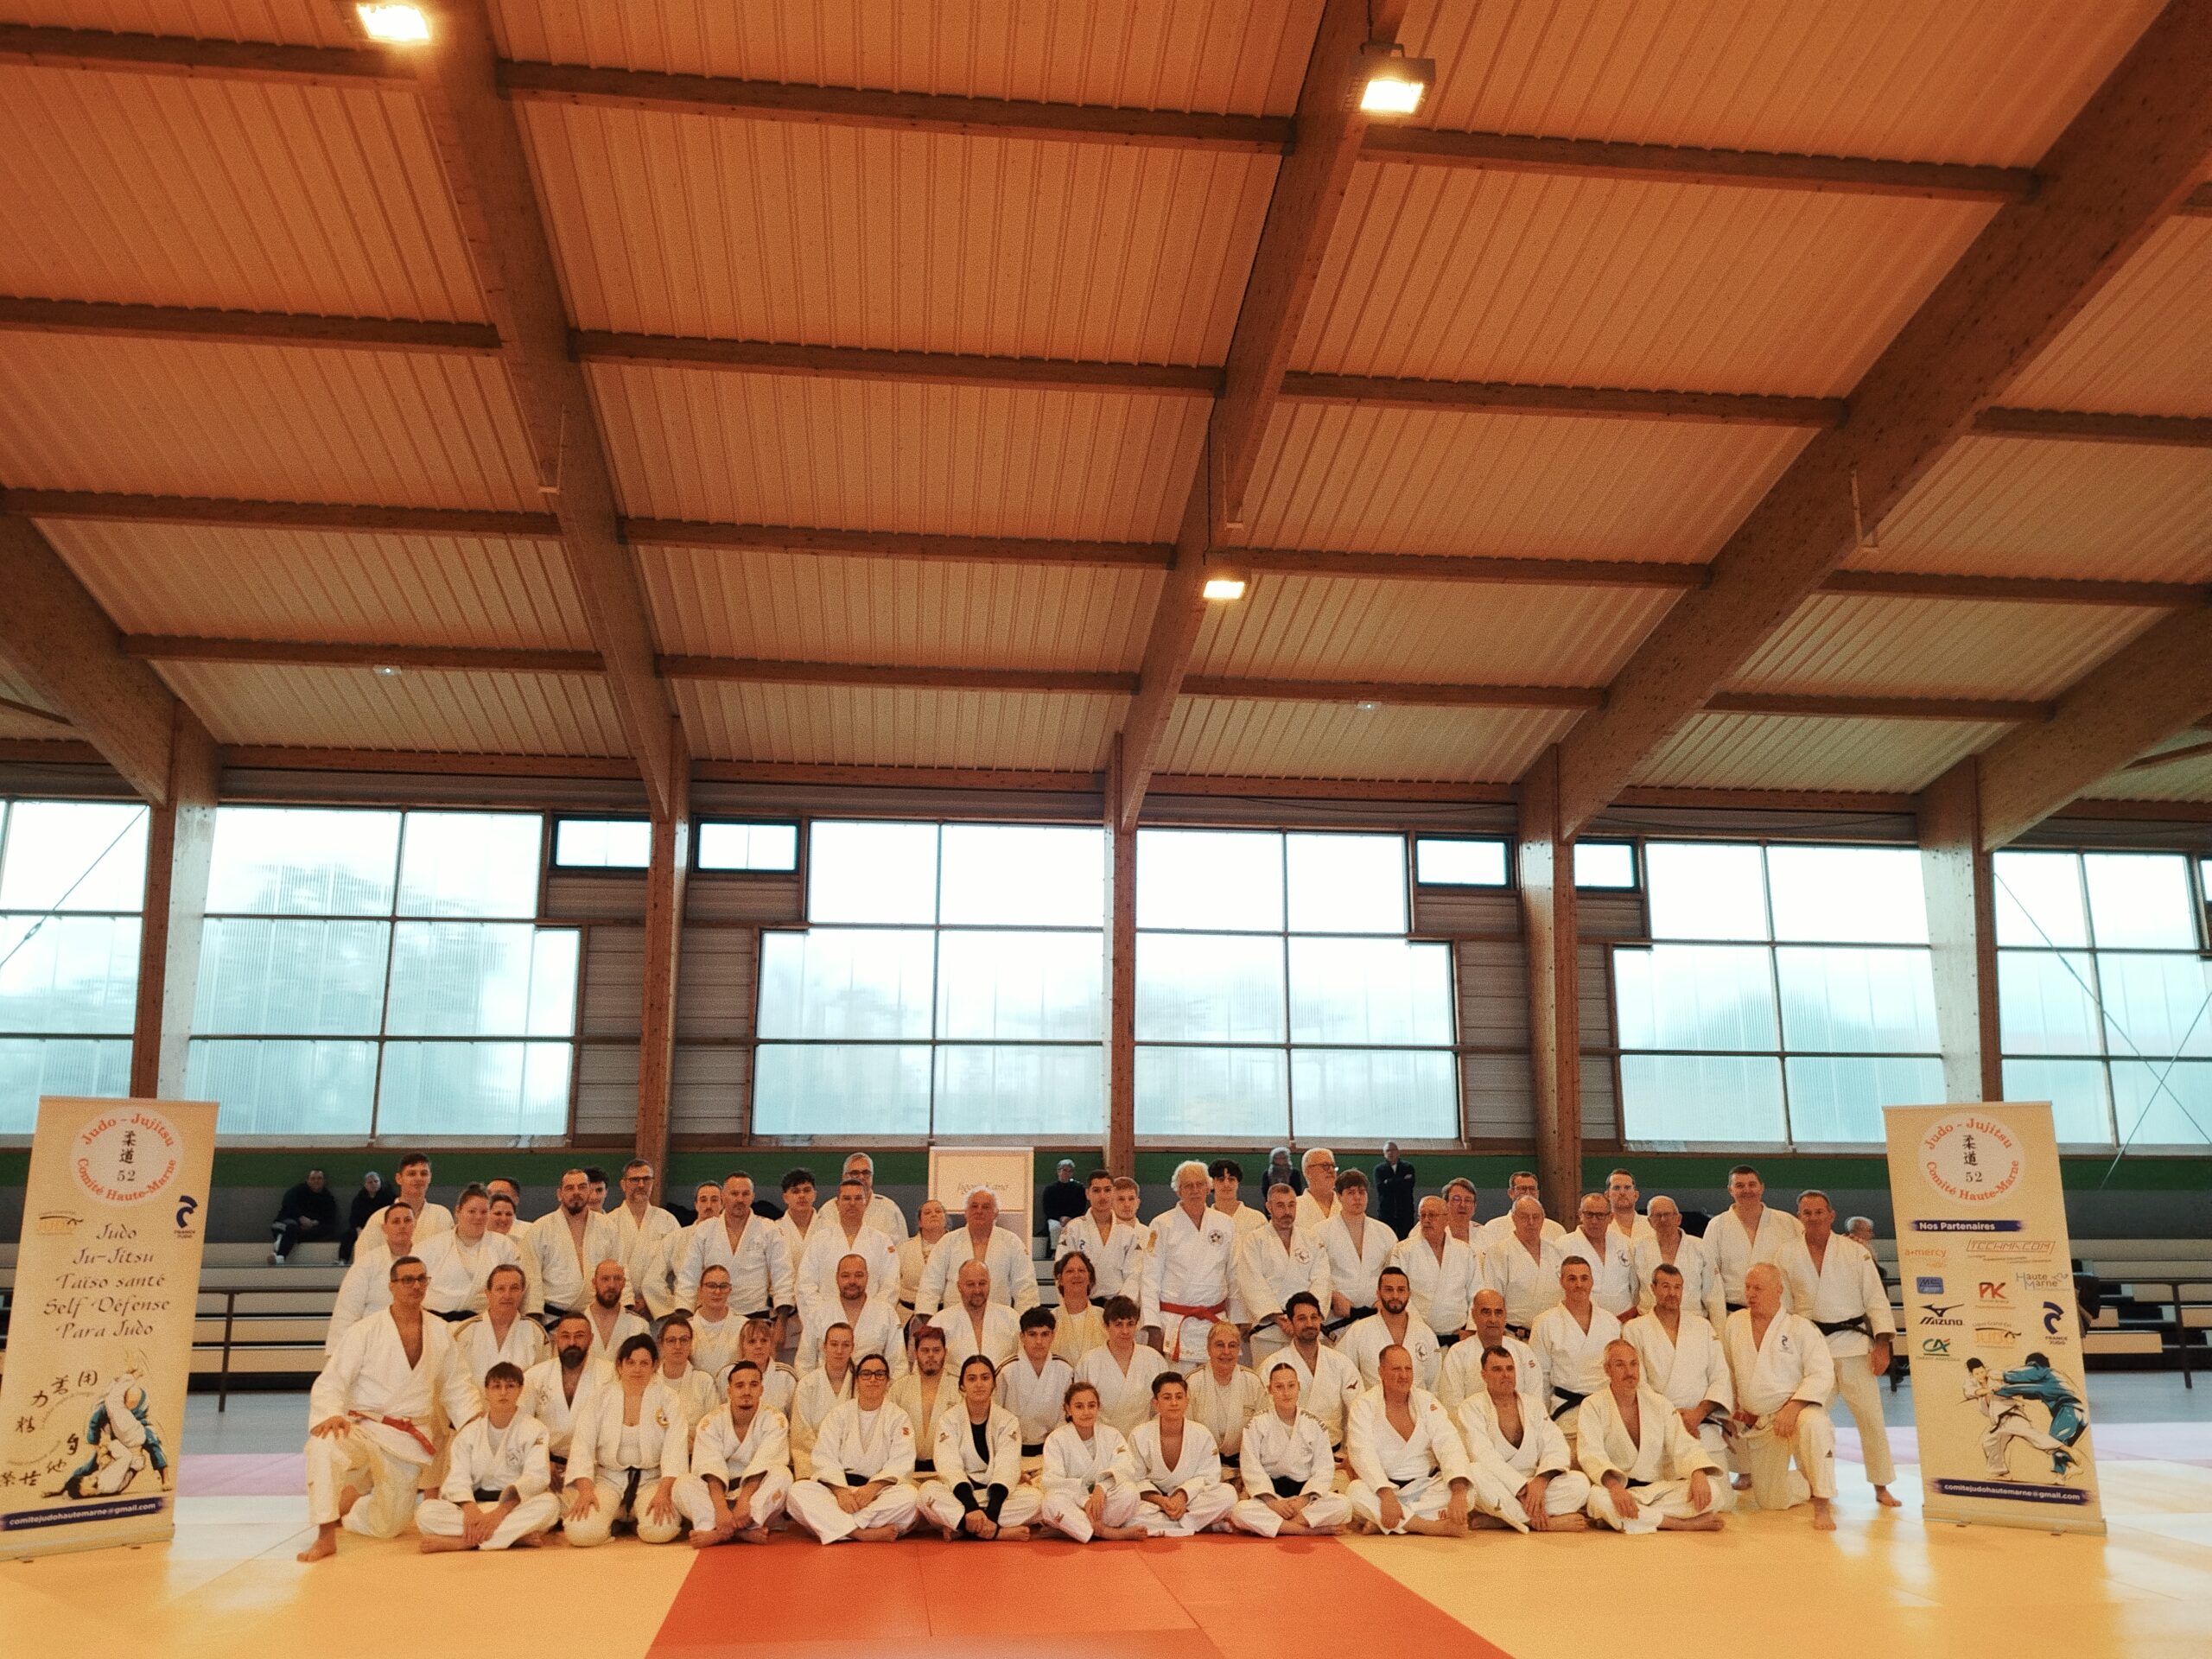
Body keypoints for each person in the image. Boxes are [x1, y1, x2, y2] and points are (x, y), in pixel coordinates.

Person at [298, 1254, 480, 1561]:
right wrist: (331, 1413)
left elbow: (456, 1385)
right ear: (392, 1286)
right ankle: (325, 1535)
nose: (416, 1286)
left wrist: (474, 1422)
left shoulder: (439, 1331)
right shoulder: (365, 1330)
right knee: (323, 1444)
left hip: (406, 1438)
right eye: (407, 1280)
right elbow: (334, 1379)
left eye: (421, 1279)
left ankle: (352, 1511)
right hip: (364, 1427)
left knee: (388, 1526)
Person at [1778, 1189, 1899, 1507]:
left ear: (1831, 1215)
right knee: (1809, 1420)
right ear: (1799, 1217)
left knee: (1871, 1418)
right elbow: (1784, 1308)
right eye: (1807, 1212)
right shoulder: (1786, 1254)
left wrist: (1882, 1345)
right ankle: (1812, 1482)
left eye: (1819, 1212)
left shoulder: (1855, 1252)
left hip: (1854, 1344)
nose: (1813, 1217)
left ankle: (1881, 1485)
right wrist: (1788, 1353)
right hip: (1811, 1349)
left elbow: (1875, 1299)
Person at [1723, 1263, 1837, 1529]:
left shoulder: (1800, 1328)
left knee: (1816, 1424)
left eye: (1758, 1288)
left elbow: (1822, 1373)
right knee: (1770, 1499)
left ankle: (1823, 1503)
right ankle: (1810, 1482)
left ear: (1778, 1290)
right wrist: (1729, 1412)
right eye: (1747, 1287)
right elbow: (1727, 1371)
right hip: (1762, 1423)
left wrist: (1794, 1407)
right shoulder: (1735, 1323)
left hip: (1796, 1411)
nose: (1750, 1294)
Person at [1576, 1340, 1729, 1534]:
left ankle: (1631, 1519)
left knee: (1713, 1490)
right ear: (1607, 1370)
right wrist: (1615, 1487)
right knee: (1598, 1499)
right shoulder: (1592, 1405)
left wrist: (1697, 1473)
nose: (1629, 1372)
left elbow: (1684, 1444)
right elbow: (1591, 1453)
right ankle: (1681, 1524)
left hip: (1657, 1491)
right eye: (1620, 1365)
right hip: (1620, 1490)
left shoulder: (1659, 1403)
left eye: (1633, 1364)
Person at [416, 1362, 559, 1553]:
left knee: (550, 1505)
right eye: (496, 1386)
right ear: (486, 1392)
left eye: (510, 1386)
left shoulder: (535, 1429)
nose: (503, 1392)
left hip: (512, 1507)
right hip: (476, 1507)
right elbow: (458, 1478)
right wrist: (471, 1511)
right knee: (425, 1512)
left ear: (520, 1390)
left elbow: (536, 1477)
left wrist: (499, 1514)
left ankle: (464, 1542)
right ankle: (513, 1538)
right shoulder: (469, 1433)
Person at [563, 1333, 687, 1547]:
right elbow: (582, 1447)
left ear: (655, 1366)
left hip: (652, 1480)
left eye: (644, 1363)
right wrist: (586, 1491)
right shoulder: (600, 1398)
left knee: (660, 1530)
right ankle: (619, 1516)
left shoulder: (668, 1399)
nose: (637, 1369)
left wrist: (664, 1492)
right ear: (620, 1366)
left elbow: (675, 1450)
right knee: (580, 1532)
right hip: (608, 1479)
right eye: (631, 1362)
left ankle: (629, 1517)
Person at [787, 1352, 919, 1543]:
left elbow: (901, 1462)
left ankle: (836, 1527)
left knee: (910, 1497)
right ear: (857, 1381)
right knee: (798, 1491)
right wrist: (840, 1492)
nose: (873, 1379)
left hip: (878, 1492)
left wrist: (873, 1488)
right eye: (866, 1374)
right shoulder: (838, 1415)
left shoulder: (899, 1418)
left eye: (879, 1374)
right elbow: (825, 1458)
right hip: (842, 1491)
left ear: (887, 1381)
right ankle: (861, 1533)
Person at [1344, 1344, 1475, 1536]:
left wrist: (1458, 1492)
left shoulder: (1427, 1401)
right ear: (1381, 1372)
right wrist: (1386, 1494)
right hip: (1386, 1489)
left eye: (1408, 1369)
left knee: (1468, 1493)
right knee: (1355, 1492)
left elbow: (1449, 1444)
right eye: (1396, 1369)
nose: (1404, 1375)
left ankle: (1390, 1522)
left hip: (1426, 1487)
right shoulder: (1364, 1405)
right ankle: (1432, 1526)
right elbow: (1362, 1453)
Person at [1457, 1346, 1591, 1531]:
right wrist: (1520, 1489)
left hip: (1533, 1483)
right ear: (1484, 1375)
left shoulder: (1533, 1405)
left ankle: (1504, 1519)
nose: (1505, 1375)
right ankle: (1540, 1522)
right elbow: (1482, 1455)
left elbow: (1556, 1445)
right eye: (1497, 1369)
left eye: (1510, 1368)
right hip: (1499, 1483)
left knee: (1580, 1484)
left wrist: (1541, 1480)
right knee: (1474, 1473)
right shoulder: (1471, 1407)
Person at [1623, 1262, 1732, 1467]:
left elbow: (1720, 1376)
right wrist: (1674, 1419)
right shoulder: (1634, 1329)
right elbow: (1638, 1383)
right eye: (1665, 1286)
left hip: (1702, 1426)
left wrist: (1698, 1414)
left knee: (1718, 1487)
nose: (1672, 1293)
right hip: (1659, 1427)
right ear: (1653, 1288)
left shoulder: (1702, 1327)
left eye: (1677, 1287)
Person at [921, 1357, 1040, 1540]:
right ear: (962, 1386)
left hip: (993, 1497)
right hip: (960, 1497)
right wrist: (970, 1507)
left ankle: (963, 1527)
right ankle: (996, 1533)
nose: (979, 1384)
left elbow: (1007, 1467)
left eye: (985, 1378)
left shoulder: (1008, 1421)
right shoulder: (949, 1419)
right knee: (926, 1493)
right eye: (972, 1379)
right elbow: (949, 1466)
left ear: (993, 1384)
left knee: (1036, 1500)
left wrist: (991, 1513)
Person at [675, 1361, 791, 1546]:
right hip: (719, 1496)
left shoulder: (775, 1420)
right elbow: (710, 1469)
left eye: (753, 1385)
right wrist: (721, 1509)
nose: (747, 1391)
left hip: (754, 1497)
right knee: (682, 1483)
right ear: (729, 1391)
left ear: (761, 1389)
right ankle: (740, 1532)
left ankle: (722, 1531)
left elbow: (765, 1464)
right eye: (739, 1386)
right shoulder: (711, 1421)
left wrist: (744, 1501)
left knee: (783, 1475)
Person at [1232, 1361, 1352, 1537]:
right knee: (1240, 1511)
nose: (1286, 1392)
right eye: (1279, 1387)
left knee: (1344, 1505)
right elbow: (1251, 1468)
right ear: (1270, 1389)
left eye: (1291, 1385)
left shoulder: (1314, 1424)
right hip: (1270, 1498)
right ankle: (1310, 1530)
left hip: (1304, 1499)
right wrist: (1272, 1502)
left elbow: (1324, 1468)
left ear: (1299, 1387)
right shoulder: (1256, 1424)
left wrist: (1303, 1499)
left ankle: (1281, 1527)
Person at [674, 1173, 797, 1342]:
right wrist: (683, 1322)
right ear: (723, 1196)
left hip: (756, 1316)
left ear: (753, 1197)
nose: (740, 1199)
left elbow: (783, 1276)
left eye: (745, 1194)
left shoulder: (768, 1229)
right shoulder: (705, 1230)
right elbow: (688, 1277)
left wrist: (781, 1323)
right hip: (712, 1317)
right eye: (734, 1194)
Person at [1141, 1160, 1241, 1367]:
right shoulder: (1161, 1224)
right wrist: (1153, 1325)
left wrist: (1238, 1318)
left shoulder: (1225, 1224)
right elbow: (1150, 1278)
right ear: (1178, 1191)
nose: (1195, 1190)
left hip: (1216, 1321)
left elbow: (1234, 1274)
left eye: (1199, 1184)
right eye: (1188, 1186)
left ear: (1208, 1187)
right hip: (1174, 1321)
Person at [1112, 1370, 1236, 1535]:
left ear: (1187, 1401)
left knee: (1228, 1495)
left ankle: (1168, 1526)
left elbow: (1209, 1476)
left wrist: (1182, 1496)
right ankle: (1202, 1526)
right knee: (1130, 1513)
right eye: (1167, 1397)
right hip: (1155, 1503)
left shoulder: (1202, 1434)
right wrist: (1161, 1500)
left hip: (1190, 1500)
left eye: (1179, 1397)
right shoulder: (1140, 1434)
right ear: (1155, 1403)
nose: (1174, 1403)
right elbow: (1135, 1478)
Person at [1038, 1381, 1146, 1541]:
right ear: (1068, 1409)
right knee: (1051, 1502)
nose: (1086, 1412)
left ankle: (1072, 1529)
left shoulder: (1112, 1435)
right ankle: (1106, 1532)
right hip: (1074, 1501)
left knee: (1130, 1493)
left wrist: (1102, 1487)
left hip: (1103, 1500)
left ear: (1098, 1407)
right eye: (1079, 1407)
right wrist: (1084, 1501)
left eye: (1091, 1405)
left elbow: (1124, 1467)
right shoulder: (1056, 1439)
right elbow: (1053, 1481)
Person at [1236, 1182, 1332, 1362]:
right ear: (1269, 1207)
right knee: (1269, 1377)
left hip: (1306, 1329)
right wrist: (1279, 1318)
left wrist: (1305, 1318)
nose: (1287, 1212)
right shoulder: (1255, 1240)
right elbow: (1251, 1282)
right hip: (1269, 1332)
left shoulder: (1311, 1239)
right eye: (1280, 1205)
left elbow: (1322, 1280)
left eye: (1291, 1205)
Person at [1529, 1257, 1623, 1433]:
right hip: (1566, 1410)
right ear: (1562, 1282)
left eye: (1584, 1278)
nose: (1579, 1284)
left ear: (1592, 1281)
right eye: (1572, 1279)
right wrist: (1542, 1420)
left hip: (1606, 1408)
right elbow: (1540, 1377)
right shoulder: (1544, 1322)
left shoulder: (1611, 1322)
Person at [518, 1313, 613, 1483]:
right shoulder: (535, 1376)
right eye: (565, 1336)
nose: (572, 1343)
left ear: (591, 1339)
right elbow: (520, 1425)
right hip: (546, 1468)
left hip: (594, 1471)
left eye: (579, 1336)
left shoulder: (610, 1375)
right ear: (556, 1339)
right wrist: (541, 1461)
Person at [917, 1187, 1039, 1318]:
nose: (979, 1211)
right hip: (954, 1320)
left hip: (999, 1319)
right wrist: (926, 1318)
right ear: (966, 1212)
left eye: (986, 1207)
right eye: (974, 1206)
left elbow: (1025, 1287)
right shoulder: (948, 1242)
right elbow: (931, 1283)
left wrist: (1028, 1323)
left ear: (996, 1213)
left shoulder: (1012, 1242)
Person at [1264, 1292, 1363, 1449]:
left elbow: (1358, 1410)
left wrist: (1353, 1450)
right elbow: (1265, 1417)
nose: (1309, 1324)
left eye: (1314, 1317)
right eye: (1302, 1318)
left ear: (1320, 1320)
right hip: (1288, 1452)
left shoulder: (1340, 1363)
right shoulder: (1272, 1365)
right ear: (1290, 1322)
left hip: (1333, 1451)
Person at [798, 1176, 901, 1323]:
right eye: (847, 1198)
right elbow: (805, 1284)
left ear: (865, 1203)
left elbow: (890, 1285)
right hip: (826, 1321)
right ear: (837, 1204)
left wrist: (872, 1316)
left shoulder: (882, 1241)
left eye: (858, 1198)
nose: (852, 1203)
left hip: (871, 1320)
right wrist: (824, 1316)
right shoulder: (819, 1240)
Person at [528, 1168, 624, 1320]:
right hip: (552, 1319)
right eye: (570, 1188)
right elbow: (531, 1276)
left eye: (582, 1187)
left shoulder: (608, 1227)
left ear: (589, 1191)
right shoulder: (540, 1228)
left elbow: (620, 1270)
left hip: (597, 1318)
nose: (576, 1192)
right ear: (560, 1194)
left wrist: (625, 1306)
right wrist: (534, 1316)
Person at [1707, 1164, 1804, 1314]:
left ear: (1762, 1188)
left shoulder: (1787, 1222)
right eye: (1740, 1186)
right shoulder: (1717, 1225)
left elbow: (1809, 1255)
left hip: (1779, 1312)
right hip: (1734, 1312)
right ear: (1730, 1190)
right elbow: (1709, 1274)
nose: (1747, 1190)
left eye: (1752, 1185)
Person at [416, 1185, 520, 1319]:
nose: (478, 1217)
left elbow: (516, 1285)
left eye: (484, 1212)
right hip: (436, 1321)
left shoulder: (505, 1246)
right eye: (472, 1211)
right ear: (458, 1211)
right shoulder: (429, 1247)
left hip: (486, 1322)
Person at [1962, 1358, 2075, 1478]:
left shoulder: (1994, 1376)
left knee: (2032, 1435)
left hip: (2012, 1415)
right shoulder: (1971, 1383)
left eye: (1982, 1372)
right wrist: (1988, 1390)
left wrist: (1998, 1385)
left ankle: (2067, 1451)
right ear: (1971, 1374)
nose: (1981, 1375)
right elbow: (1972, 1392)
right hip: (1999, 1422)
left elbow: (2009, 1383)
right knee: (1990, 1443)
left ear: (1985, 1368)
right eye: (1977, 1374)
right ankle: (2000, 1473)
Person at [325, 1200, 414, 1352]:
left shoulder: (427, 1259)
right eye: (396, 1221)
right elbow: (347, 1312)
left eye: (407, 1220)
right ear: (385, 1228)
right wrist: (339, 1355)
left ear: (415, 1225)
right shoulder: (367, 1264)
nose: (402, 1226)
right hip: (375, 1344)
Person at [1437, 1288, 1543, 1415]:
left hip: (1519, 1424)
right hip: (1471, 1425)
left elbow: (1535, 1402)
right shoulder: (1457, 1354)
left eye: (1498, 1312)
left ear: (1505, 1315)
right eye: (1486, 1312)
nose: (1493, 1319)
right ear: (1474, 1315)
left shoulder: (1523, 1351)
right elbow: (1452, 1406)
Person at [801, 1252, 908, 1376]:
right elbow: (804, 1363)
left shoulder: (886, 1313)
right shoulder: (818, 1313)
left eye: (858, 1275)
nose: (852, 1281)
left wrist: (885, 1388)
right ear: (836, 1278)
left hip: (874, 1384)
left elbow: (898, 1365)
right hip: (826, 1386)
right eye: (845, 1276)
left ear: (867, 1277)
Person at [1076, 1294, 1169, 1433]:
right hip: (1101, 1438)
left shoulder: (1154, 1359)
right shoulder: (1088, 1362)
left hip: (1144, 1437)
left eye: (1130, 1324)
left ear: (1137, 1325)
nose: (1125, 1331)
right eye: (1118, 1324)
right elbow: (1080, 1406)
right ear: (1106, 1326)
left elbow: (1163, 1406)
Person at [1339, 1266, 1442, 1392]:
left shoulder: (1425, 1333)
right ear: (1378, 1293)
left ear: (1409, 1294)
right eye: (1389, 1290)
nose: (1395, 1296)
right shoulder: (1359, 1331)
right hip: (1373, 1403)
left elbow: (1434, 1384)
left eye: (1401, 1290)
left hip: (1417, 1403)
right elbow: (1342, 1373)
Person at [1632, 1195, 1728, 1329]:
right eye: (1657, 1215)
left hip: (1693, 1323)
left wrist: (1719, 1333)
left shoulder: (1700, 1248)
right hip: (1649, 1324)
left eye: (1667, 1214)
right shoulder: (1638, 1248)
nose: (1663, 1219)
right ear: (1649, 1221)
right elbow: (1633, 1291)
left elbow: (1714, 1294)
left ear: (1678, 1219)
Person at [1393, 1196, 1478, 1339]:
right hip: (1415, 1334)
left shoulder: (1465, 1251)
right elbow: (1399, 1293)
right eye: (1422, 1215)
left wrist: (1471, 1329)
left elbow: (1476, 1292)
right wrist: (1417, 1329)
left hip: (1458, 1336)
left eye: (1432, 1215)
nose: (1426, 1220)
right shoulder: (1403, 1250)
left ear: (1447, 1219)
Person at [1482, 1196, 1567, 1336]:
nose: (1531, 1222)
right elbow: (1493, 1298)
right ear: (1514, 1219)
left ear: (1543, 1219)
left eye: (1536, 1217)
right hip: (1513, 1335)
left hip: (1553, 1334)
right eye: (1524, 1217)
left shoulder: (1557, 1252)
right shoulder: (1499, 1252)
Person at [996, 1307, 1074, 1461]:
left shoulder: (1065, 1370)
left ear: (1053, 1336)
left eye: (1045, 1334)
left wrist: (1056, 1445)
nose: (1039, 1341)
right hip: (1011, 1448)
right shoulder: (1007, 1370)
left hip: (1053, 1448)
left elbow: (1067, 1414)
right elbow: (995, 1412)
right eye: (1032, 1334)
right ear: (1022, 1336)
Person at [1183, 1320, 1265, 1463]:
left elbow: (1264, 1428)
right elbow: (1185, 1429)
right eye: (1220, 1345)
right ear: (1208, 1349)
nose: (1226, 1352)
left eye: (1232, 1346)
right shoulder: (1193, 1382)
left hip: (1245, 1460)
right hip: (1201, 1461)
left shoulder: (1253, 1381)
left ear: (1239, 1349)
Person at [1320, 1170, 1395, 1325]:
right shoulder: (1321, 1231)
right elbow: (1315, 1273)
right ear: (1339, 1196)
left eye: (1362, 1192)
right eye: (1351, 1192)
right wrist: (1332, 1296)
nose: (1357, 1197)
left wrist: (1386, 1297)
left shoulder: (1384, 1231)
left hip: (1376, 1311)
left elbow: (1394, 1271)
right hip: (1336, 1315)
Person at [610, 1160, 680, 1318]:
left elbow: (678, 1268)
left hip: (658, 1309)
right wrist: (628, 1301)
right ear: (623, 1184)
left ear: (653, 1183)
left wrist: (651, 1302)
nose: (641, 1185)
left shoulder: (668, 1221)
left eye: (646, 1179)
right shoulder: (610, 1222)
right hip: (620, 1307)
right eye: (635, 1180)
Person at [456, 1262, 547, 1383]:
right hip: (474, 1396)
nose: (507, 1295)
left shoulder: (535, 1332)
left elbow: (544, 1379)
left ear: (522, 1293)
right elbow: (455, 1380)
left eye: (514, 1288)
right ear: (488, 1294)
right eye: (500, 1289)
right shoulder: (466, 1332)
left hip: (523, 1396)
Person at [1996, 1354, 2088, 1472]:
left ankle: (2070, 1468)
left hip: (2069, 1410)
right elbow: (2031, 1391)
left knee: (2055, 1442)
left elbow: (2026, 1384)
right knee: (2060, 1445)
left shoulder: (2045, 1372)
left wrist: (2002, 1379)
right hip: (2079, 1413)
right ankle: (2065, 1473)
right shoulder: (2052, 1381)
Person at [1056, 1171, 1141, 1299]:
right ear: (1087, 1193)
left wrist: (1123, 1304)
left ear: (1113, 1192)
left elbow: (1134, 1274)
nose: (1102, 1196)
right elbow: (1061, 1269)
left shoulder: (1127, 1232)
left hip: (1117, 1303)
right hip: (1083, 1300)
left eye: (1107, 1190)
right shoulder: (1074, 1228)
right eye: (1096, 1190)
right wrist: (1070, 1302)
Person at [1560, 1192, 1642, 1320]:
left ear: (1611, 1217)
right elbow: (1559, 1288)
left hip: (1624, 1319)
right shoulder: (1563, 1245)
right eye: (1589, 1214)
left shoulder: (1624, 1243)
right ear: (1580, 1215)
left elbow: (1635, 1283)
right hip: (1581, 1320)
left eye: (1600, 1215)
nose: (1594, 1221)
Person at [791, 1323, 856, 1479]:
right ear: (824, 1347)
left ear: (853, 1348)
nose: (839, 1351)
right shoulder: (807, 1385)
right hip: (814, 1461)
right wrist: (828, 1456)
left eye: (845, 1345)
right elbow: (801, 1433)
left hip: (853, 1462)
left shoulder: (862, 1384)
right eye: (834, 1344)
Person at [931, 1260, 1023, 1370]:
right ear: (959, 1286)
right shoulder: (939, 1322)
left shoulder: (1011, 1318)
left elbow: (1023, 1363)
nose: (977, 1290)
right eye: (970, 1284)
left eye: (982, 1283)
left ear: (989, 1283)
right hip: (954, 1381)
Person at [888, 1324, 954, 1476]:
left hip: (947, 1469)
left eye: (936, 1350)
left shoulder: (958, 1388)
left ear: (945, 1352)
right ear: (915, 1353)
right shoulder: (899, 1389)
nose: (931, 1355)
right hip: (906, 1469)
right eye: (925, 1350)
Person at [655, 1314, 720, 1431]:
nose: (678, 1346)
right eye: (671, 1340)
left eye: (684, 1340)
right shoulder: (650, 1381)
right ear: (661, 1344)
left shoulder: (704, 1381)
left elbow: (714, 1426)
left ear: (691, 1343)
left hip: (697, 1442)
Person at [580, 1258, 649, 1364]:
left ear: (624, 1283)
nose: (612, 1285)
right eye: (605, 1279)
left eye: (617, 1279)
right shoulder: (576, 1324)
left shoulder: (639, 1325)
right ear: (594, 1283)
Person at [484, 1190, 541, 1313]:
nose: (503, 1219)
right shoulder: (476, 1243)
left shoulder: (521, 1244)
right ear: (487, 1214)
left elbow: (528, 1282)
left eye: (509, 1214)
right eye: (498, 1213)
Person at [689, 1265, 747, 1382]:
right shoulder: (687, 1327)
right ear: (700, 1290)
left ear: (730, 1290)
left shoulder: (744, 1326)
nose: (717, 1291)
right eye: (711, 1286)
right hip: (697, 1391)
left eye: (723, 1286)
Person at [271, 1168, 340, 1263]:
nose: (316, 1181)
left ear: (324, 1181)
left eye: (319, 1178)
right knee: (292, 1227)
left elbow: (329, 1217)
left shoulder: (328, 1197)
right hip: (285, 1223)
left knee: (328, 1229)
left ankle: (281, 1240)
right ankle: (280, 1257)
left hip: (307, 1229)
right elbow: (288, 1204)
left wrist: (314, 1223)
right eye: (313, 1178)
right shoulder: (297, 1191)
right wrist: (300, 1218)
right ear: (307, 1181)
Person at [734, 1317, 798, 1420]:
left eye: (764, 1341)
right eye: (752, 1341)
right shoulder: (728, 1373)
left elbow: (795, 1419)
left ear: (771, 1344)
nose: (759, 1346)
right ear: (742, 1345)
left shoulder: (787, 1376)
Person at [896, 1197, 948, 1322]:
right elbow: (893, 1284)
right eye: (928, 1213)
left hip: (946, 1315)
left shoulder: (958, 1247)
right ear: (920, 1222)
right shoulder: (903, 1248)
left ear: (945, 1219)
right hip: (907, 1315)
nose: (933, 1215)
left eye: (938, 1211)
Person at [842, 1152, 910, 1243]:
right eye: (855, 1173)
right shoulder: (829, 1209)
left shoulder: (889, 1208)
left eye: (866, 1173)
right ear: (845, 1177)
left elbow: (903, 1247)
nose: (861, 1177)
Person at [1050, 1251, 1106, 1363]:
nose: (1076, 1275)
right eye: (1070, 1271)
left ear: (1089, 1277)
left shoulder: (1104, 1318)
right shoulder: (1050, 1320)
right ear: (1060, 1279)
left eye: (1081, 1270)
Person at [1482, 1172, 1565, 1247]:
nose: (1528, 1193)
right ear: (1510, 1193)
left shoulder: (1556, 1229)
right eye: (1523, 1189)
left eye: (1532, 1189)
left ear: (1538, 1193)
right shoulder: (1493, 1227)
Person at [391, 1153, 453, 1240]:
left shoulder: (442, 1215)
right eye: (412, 1174)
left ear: (430, 1177)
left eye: (424, 1174)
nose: (418, 1178)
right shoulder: (379, 1218)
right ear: (399, 1178)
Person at [1208, 1158, 1267, 1238]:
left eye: (1231, 1179)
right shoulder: (1204, 1220)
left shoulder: (1257, 1219)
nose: (1226, 1184)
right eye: (1221, 1179)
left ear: (1238, 1183)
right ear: (1212, 1183)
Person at [1372, 1142, 1418, 1238]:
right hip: (1386, 1212)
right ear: (1384, 1154)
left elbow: (1409, 1186)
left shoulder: (1408, 1167)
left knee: (1406, 1239)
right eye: (1387, 1151)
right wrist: (1401, 1181)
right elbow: (1381, 1188)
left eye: (1392, 1150)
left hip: (1405, 1212)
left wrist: (1388, 1182)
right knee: (1386, 1238)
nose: (1390, 1153)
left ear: (1398, 1152)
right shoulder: (1379, 1170)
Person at [338, 1170, 383, 1265]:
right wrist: (358, 1229)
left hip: (382, 1228)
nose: (373, 1184)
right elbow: (353, 1217)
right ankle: (343, 1260)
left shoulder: (388, 1197)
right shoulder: (359, 1199)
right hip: (362, 1229)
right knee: (348, 1235)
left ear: (380, 1182)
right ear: (365, 1185)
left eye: (376, 1181)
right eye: (370, 1182)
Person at [1041, 1159, 1087, 1249]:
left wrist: (1070, 1218)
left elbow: (1081, 1207)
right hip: (1055, 1219)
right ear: (1058, 1171)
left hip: (1073, 1218)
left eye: (1070, 1171)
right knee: (1055, 1227)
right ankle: (1055, 1250)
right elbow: (1047, 1209)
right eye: (1065, 1170)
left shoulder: (1079, 1188)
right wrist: (1060, 1218)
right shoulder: (1050, 1189)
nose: (1067, 1173)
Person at [1605, 1169, 1656, 1246]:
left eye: (1627, 1188)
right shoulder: (1599, 1226)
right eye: (1616, 1188)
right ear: (1607, 1195)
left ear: (1636, 1195)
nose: (1622, 1193)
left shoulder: (1653, 1225)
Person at [1294, 1148, 1338, 1232]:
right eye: (1325, 1166)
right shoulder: (1294, 1207)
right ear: (1308, 1172)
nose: (1331, 1170)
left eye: (1333, 1166)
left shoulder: (1345, 1204)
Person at [1441, 1177, 1483, 1252]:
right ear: (1445, 1204)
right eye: (1456, 1199)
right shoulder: (1433, 1231)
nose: (1462, 1205)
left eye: (1468, 1200)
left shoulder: (1484, 1234)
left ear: (1474, 1207)